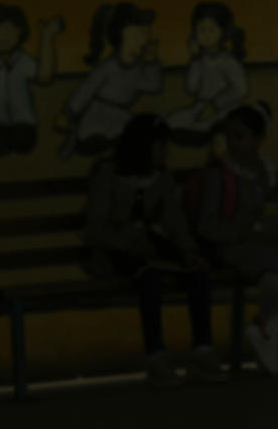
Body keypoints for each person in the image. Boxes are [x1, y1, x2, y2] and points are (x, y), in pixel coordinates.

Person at [84, 113, 226, 387]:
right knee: (151, 278)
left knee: (196, 273)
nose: (165, 153)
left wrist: (188, 250)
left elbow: (175, 221)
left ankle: (203, 349)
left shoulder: (161, 180)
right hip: (116, 252)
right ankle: (156, 355)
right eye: (159, 147)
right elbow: (97, 229)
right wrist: (129, 244)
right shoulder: (107, 175)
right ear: (141, 148)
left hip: (149, 248)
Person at [192, 102, 278, 375]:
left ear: (258, 139)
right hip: (236, 249)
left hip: (271, 246)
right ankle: (269, 339)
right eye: (229, 136)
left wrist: (271, 226)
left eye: (240, 137)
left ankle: (269, 328)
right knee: (274, 283)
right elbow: (207, 225)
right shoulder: (219, 175)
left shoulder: (270, 174)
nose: (233, 144)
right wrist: (241, 230)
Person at [56, 2, 162, 158]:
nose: (145, 38)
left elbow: (153, 85)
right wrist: (68, 113)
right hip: (98, 115)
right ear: (121, 35)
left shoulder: (140, 68)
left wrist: (152, 63)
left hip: (121, 117)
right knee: (92, 141)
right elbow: (85, 91)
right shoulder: (108, 68)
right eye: (139, 32)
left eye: (146, 33)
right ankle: (76, 138)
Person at [0, 4, 64, 155]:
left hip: (23, 119)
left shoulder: (23, 60)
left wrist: (47, 38)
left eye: (6, 32)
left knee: (24, 142)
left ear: (19, 32)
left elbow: (43, 76)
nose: (1, 39)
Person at [166, 1, 248, 141]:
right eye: (202, 30)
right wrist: (195, 60)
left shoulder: (228, 62)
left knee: (209, 127)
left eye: (211, 30)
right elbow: (191, 88)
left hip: (223, 109)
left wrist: (215, 103)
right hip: (201, 107)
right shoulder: (199, 61)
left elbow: (240, 89)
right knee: (172, 121)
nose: (206, 35)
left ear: (222, 32)